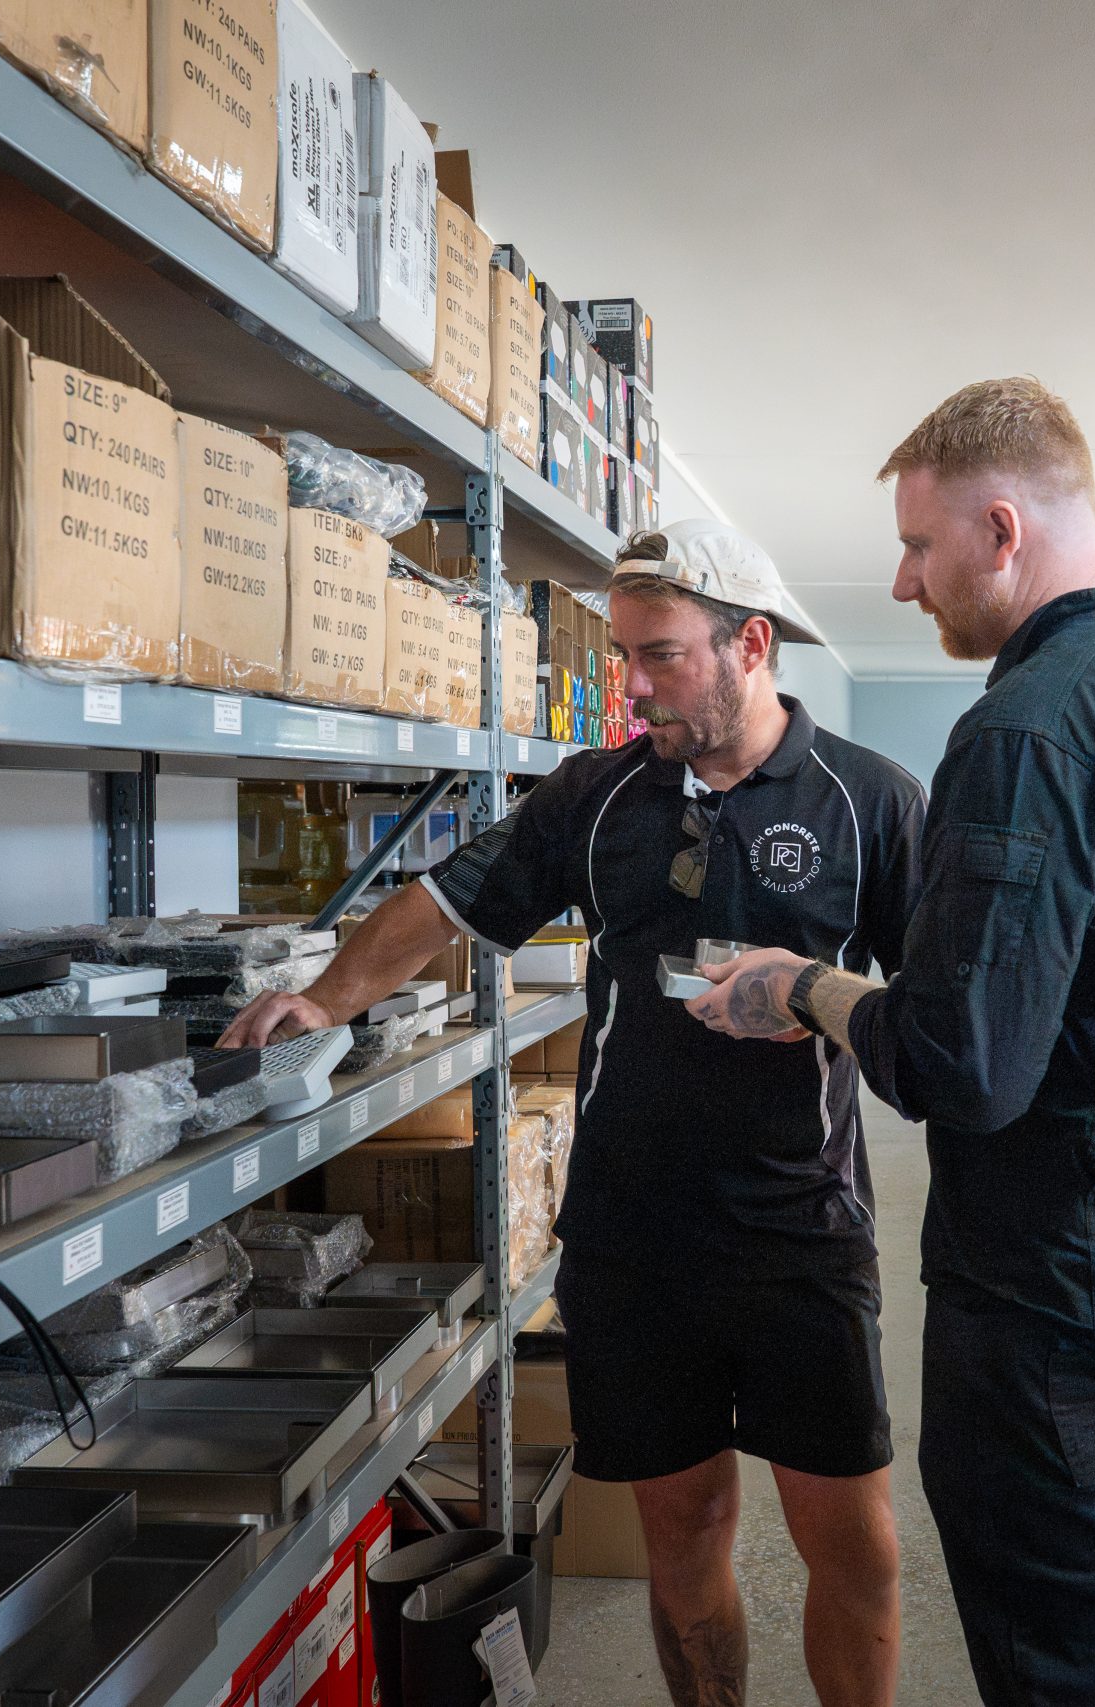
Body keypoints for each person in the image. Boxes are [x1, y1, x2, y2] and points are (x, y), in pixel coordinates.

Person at [686, 379, 1095, 1707]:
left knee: (1078, 1665)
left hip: (1072, 1317)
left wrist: (804, 987)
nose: (905, 582)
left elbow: (963, 1063)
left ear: (1002, 528)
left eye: (919, 546)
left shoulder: (1032, 727)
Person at [223, 519, 927, 1707]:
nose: (633, 687)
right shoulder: (594, 797)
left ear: (751, 645)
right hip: (631, 1236)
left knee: (850, 1544)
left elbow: (934, 1013)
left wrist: (816, 995)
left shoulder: (871, 801)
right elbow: (444, 904)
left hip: (801, 1231)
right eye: (622, 658)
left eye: (660, 656)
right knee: (684, 1531)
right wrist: (325, 999)